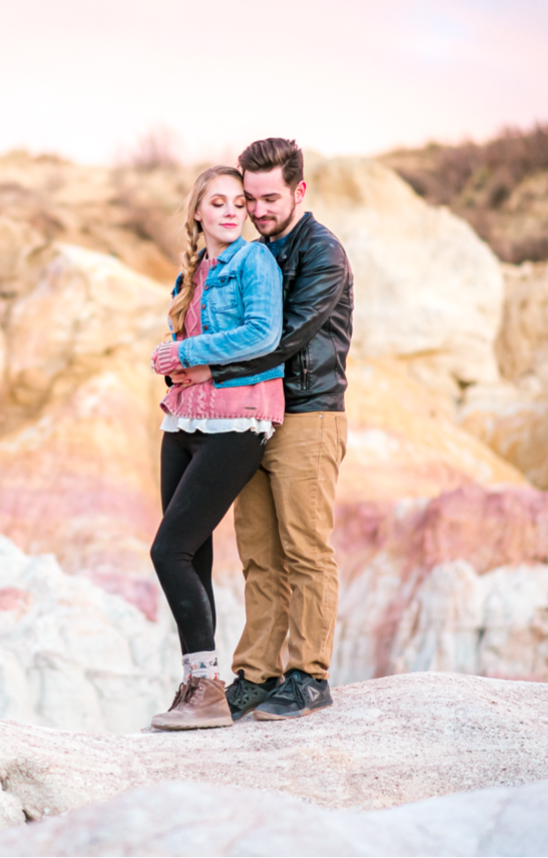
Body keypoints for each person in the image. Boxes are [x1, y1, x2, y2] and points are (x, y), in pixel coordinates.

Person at [175, 137, 352, 721]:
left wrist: (206, 364)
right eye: (249, 198)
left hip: (309, 413)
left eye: (270, 197)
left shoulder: (323, 253)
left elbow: (284, 337)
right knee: (258, 553)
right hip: (253, 417)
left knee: (305, 549)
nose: (257, 209)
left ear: (300, 190)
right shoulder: (252, 253)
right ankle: (256, 673)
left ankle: (309, 675)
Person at [146, 165, 285, 730]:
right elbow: (188, 352)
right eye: (218, 202)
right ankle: (199, 680)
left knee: (168, 550)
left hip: (238, 420)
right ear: (198, 213)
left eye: (238, 203)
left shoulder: (255, 261)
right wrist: (173, 360)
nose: (231, 211)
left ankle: (208, 688)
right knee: (192, 551)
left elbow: (262, 333)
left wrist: (186, 354)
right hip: (183, 422)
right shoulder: (194, 271)